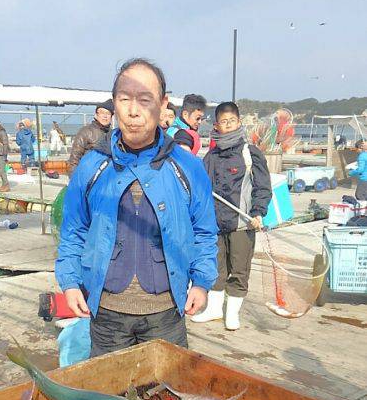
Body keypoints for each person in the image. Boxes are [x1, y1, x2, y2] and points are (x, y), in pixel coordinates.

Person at [56, 58, 217, 357]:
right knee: (109, 397)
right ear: (114, 103)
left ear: (163, 104)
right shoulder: (92, 165)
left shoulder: (189, 168)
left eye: (145, 100)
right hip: (106, 313)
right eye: (124, 99)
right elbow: (73, 230)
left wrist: (202, 282)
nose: (133, 111)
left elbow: (204, 231)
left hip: (167, 313)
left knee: (167, 395)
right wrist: (70, 282)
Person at [192, 101, 272, 330]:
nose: (228, 125)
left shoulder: (251, 153)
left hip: (242, 224)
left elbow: (263, 188)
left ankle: (232, 314)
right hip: (215, 225)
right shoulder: (211, 157)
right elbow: (201, 189)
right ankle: (215, 310)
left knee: (239, 270)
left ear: (238, 122)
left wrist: (258, 212)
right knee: (215, 268)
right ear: (217, 125)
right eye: (223, 122)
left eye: (232, 121)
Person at [68, 99, 114, 174]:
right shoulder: (85, 131)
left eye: (108, 114)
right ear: (96, 115)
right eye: (102, 113)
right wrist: (74, 179)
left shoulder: (113, 134)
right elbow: (74, 158)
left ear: (111, 117)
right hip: (87, 175)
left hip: (106, 178)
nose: (105, 116)